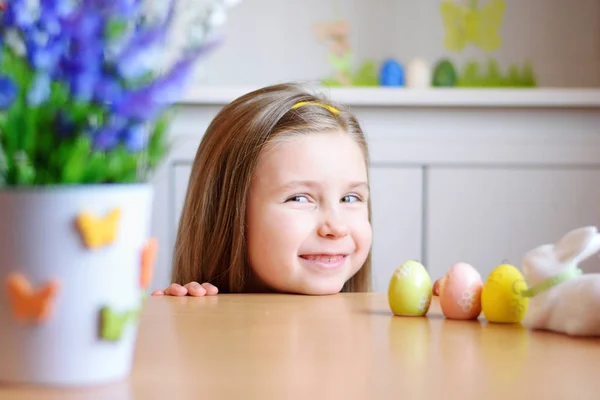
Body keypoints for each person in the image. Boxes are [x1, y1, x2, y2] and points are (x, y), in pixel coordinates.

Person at [151, 82, 373, 296]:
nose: (337, 227)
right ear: (226, 214)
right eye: (299, 198)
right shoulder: (194, 319)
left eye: (350, 198)